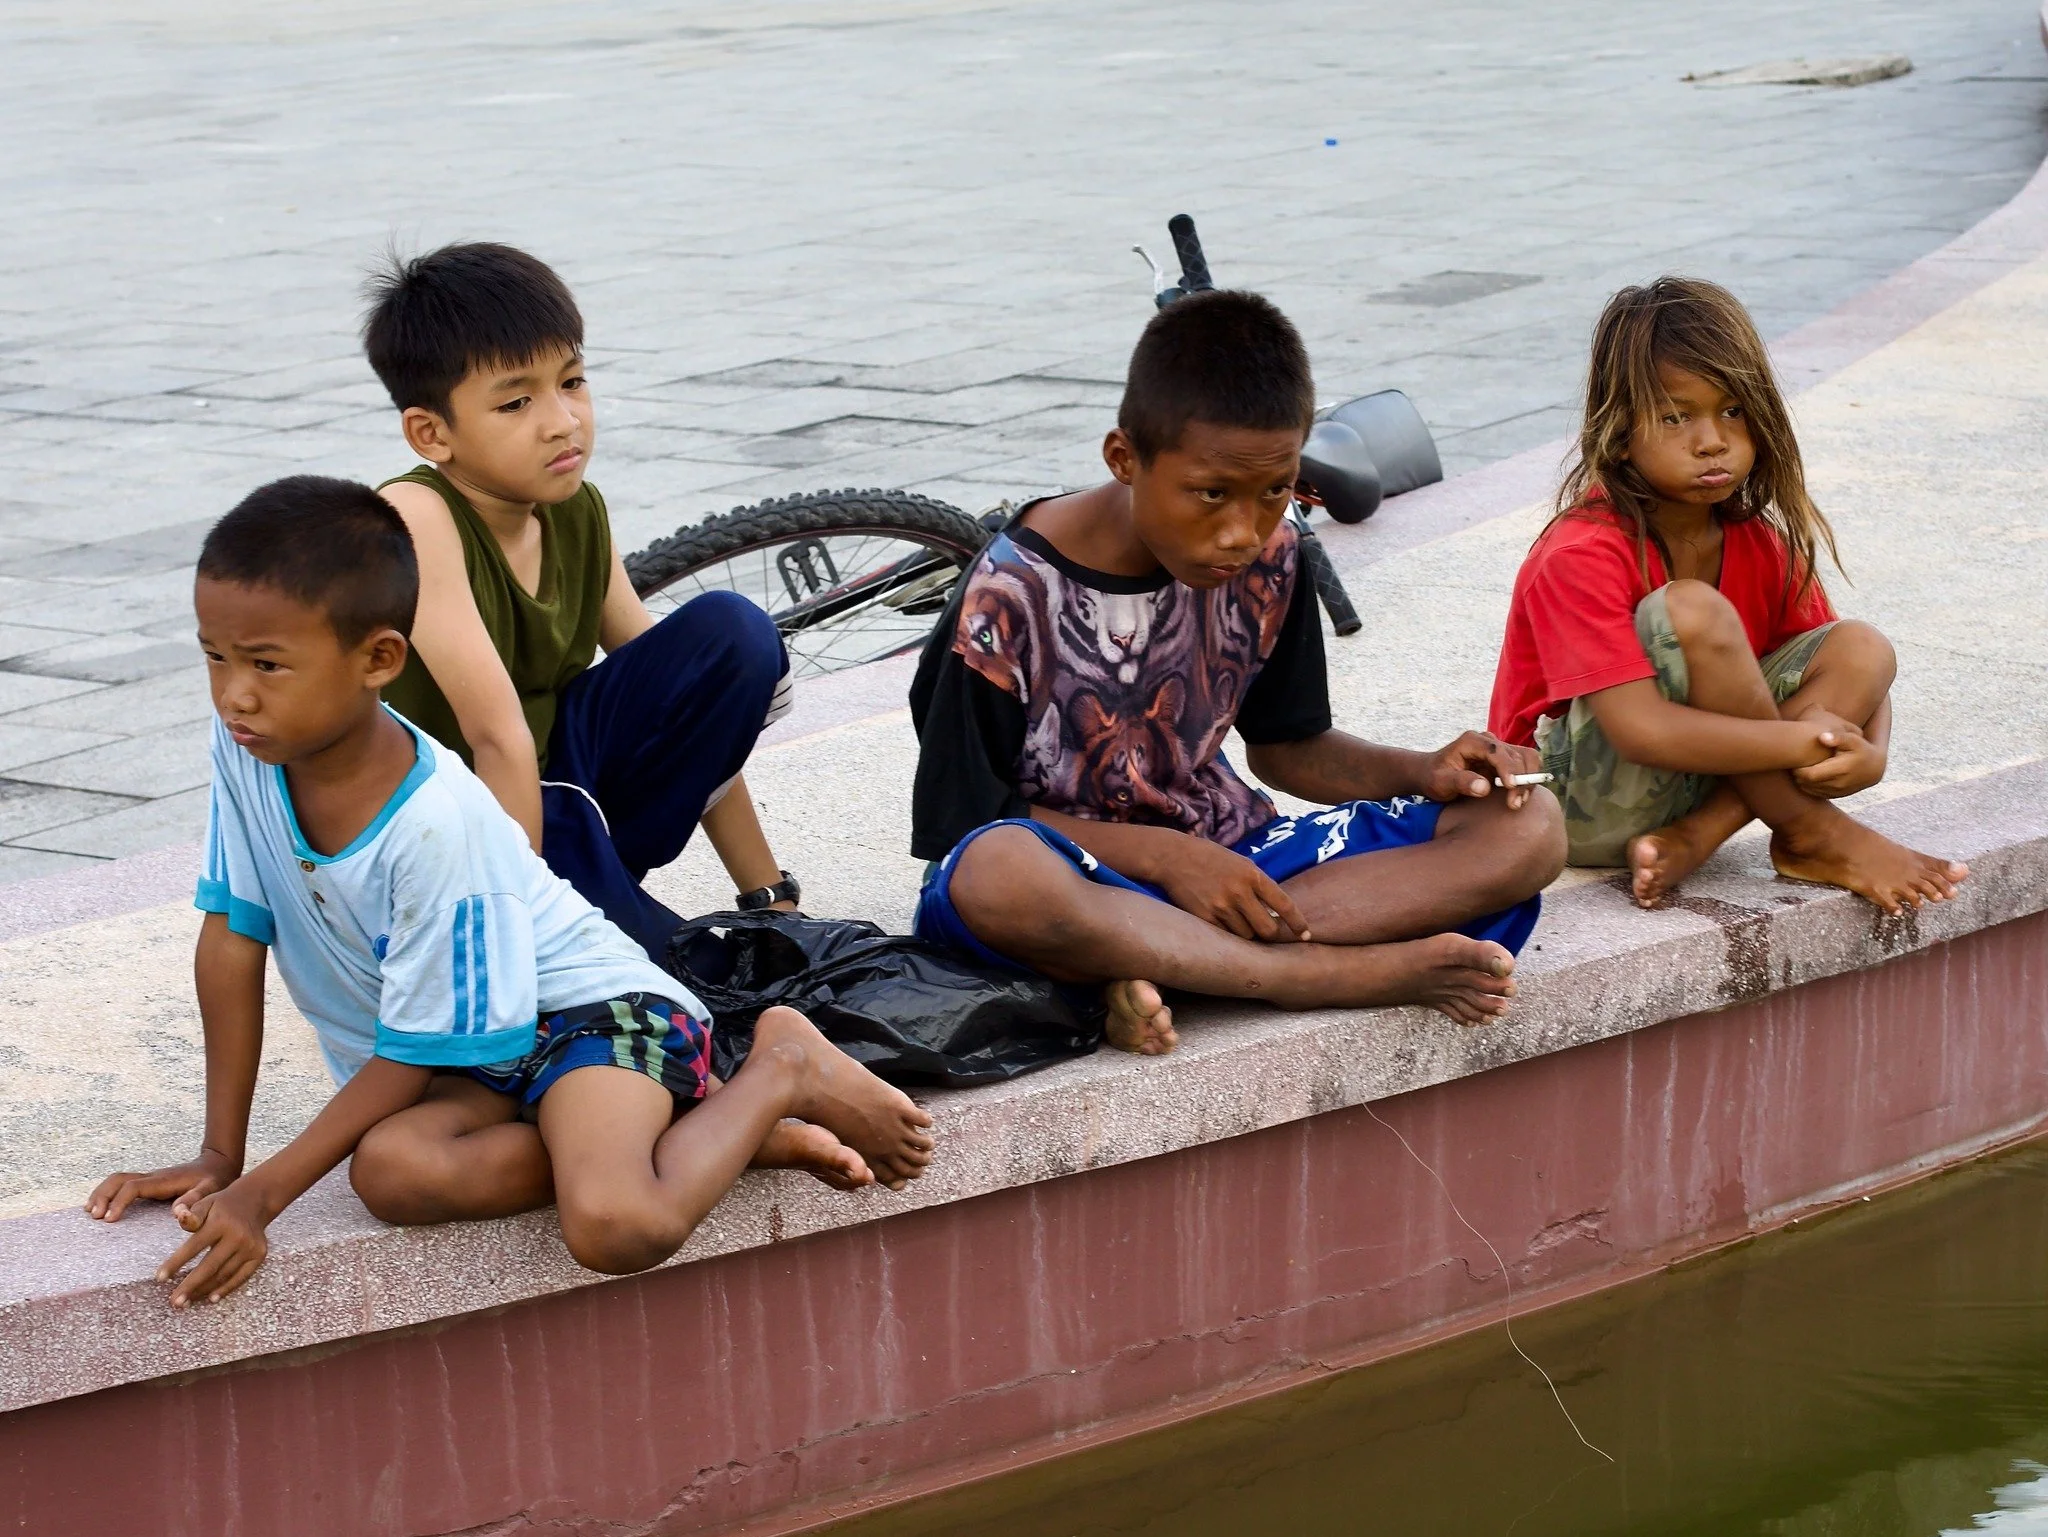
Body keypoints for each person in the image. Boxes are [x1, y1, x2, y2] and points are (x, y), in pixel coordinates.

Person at [86, 478, 934, 1307]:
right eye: (216, 657)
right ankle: (695, 1134)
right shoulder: (247, 743)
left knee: (615, 1222)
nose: (235, 692)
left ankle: (777, 1065)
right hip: (476, 1052)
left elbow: (411, 1050)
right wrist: (217, 1156)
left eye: (269, 664)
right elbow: (234, 935)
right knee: (389, 1171)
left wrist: (264, 1197)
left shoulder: (434, 820)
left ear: (379, 658)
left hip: (594, 1015)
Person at [907, 291, 1565, 1054]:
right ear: (1124, 457)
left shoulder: (1275, 556)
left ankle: (1150, 971)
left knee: (1527, 831)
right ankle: (1317, 975)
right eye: (1210, 494)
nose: (1241, 531)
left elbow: (1290, 747)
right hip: (1077, 879)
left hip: (1240, 866)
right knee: (995, 874)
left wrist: (1424, 769)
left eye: (1274, 491)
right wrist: (1169, 858)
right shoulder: (1009, 594)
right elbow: (963, 825)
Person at [361, 242, 799, 963]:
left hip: (564, 798)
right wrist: (519, 939)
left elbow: (691, 698)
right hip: (460, 842)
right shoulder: (417, 514)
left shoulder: (572, 507)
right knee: (693, 988)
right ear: (430, 432)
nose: (563, 421)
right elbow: (496, 735)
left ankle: (602, 905)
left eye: (573, 381)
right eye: (515, 401)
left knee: (731, 635)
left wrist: (769, 895)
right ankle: (574, 926)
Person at [1488, 275, 1970, 912]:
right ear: (1620, 431)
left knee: (1862, 646)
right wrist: (1811, 743)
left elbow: (1846, 678)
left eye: (1732, 411)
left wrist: (1870, 754)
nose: (1711, 439)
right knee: (1693, 612)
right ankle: (1814, 832)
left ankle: (1700, 833)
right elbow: (1642, 733)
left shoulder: (1757, 541)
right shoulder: (1581, 553)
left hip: (1702, 784)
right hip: (1568, 804)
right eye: (1676, 417)